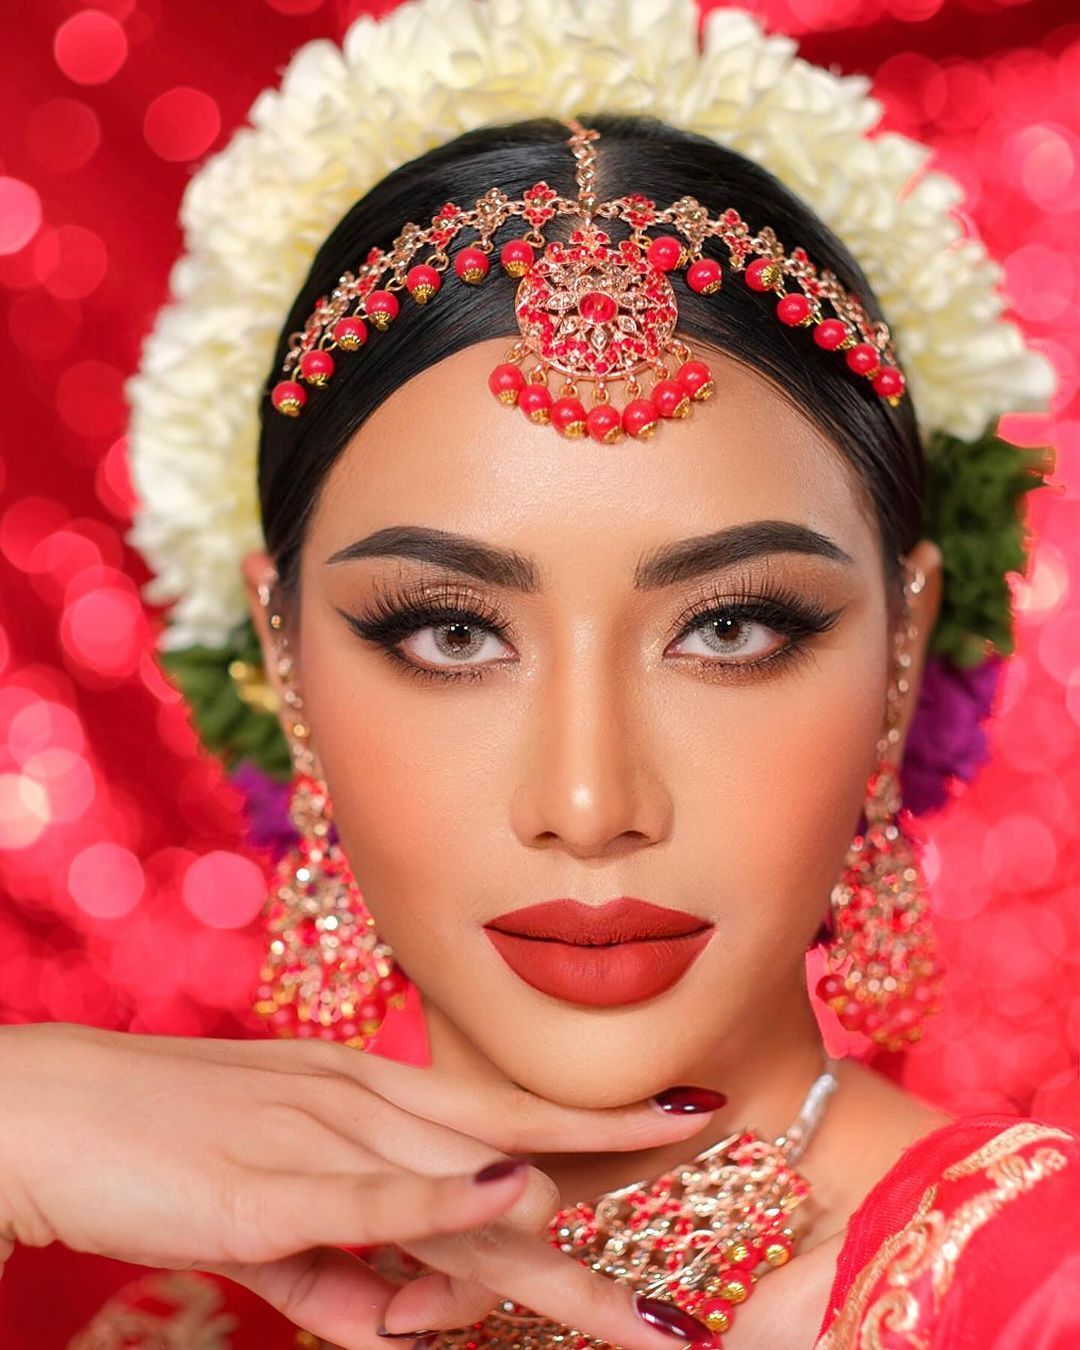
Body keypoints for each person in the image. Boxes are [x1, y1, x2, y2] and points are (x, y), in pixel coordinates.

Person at [1, 2, 1076, 1347]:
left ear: (905, 643)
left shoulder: (1030, 1291)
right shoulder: (186, 1317)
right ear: (277, 651)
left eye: (732, 625)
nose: (585, 797)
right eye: (452, 631)